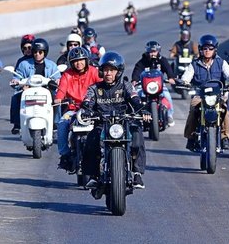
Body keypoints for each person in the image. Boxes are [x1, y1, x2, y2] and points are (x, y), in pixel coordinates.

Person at [81, 52, 150, 190]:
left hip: (124, 123)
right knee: (91, 140)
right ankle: (92, 176)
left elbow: (135, 98)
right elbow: (87, 101)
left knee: (137, 134)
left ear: (118, 72)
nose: (108, 73)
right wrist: (87, 111)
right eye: (106, 70)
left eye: (112, 70)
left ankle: (137, 173)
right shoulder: (94, 88)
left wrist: (143, 110)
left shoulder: (126, 85)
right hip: (102, 124)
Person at [180, 34, 229, 151]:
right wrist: (184, 82)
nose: (207, 51)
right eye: (205, 48)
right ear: (201, 50)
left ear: (215, 50)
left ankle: (224, 137)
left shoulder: (221, 63)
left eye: (210, 48)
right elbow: (185, 77)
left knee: (225, 112)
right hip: (200, 95)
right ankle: (190, 137)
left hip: (217, 95)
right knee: (193, 110)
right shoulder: (194, 64)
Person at [54, 47, 102, 171]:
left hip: (92, 110)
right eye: (75, 61)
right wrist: (58, 98)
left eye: (81, 60)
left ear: (86, 60)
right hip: (73, 109)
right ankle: (64, 155)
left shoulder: (93, 71)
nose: (79, 63)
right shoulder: (67, 74)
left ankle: (104, 152)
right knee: (62, 124)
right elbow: (61, 90)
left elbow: (101, 86)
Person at [9, 38, 61, 134]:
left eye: (40, 52)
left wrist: (57, 81)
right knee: (16, 98)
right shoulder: (23, 64)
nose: (37, 54)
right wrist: (17, 82)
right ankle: (17, 124)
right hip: (28, 91)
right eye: (35, 52)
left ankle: (55, 123)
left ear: (45, 52)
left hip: (46, 91)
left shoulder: (52, 65)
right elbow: (17, 76)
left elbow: (57, 76)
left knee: (56, 99)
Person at [131, 41, 176, 127]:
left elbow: (168, 69)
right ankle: (136, 117)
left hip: (159, 86)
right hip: (144, 86)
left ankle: (169, 115)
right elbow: (137, 71)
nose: (153, 54)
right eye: (151, 52)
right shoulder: (142, 61)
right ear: (147, 52)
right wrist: (134, 80)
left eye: (154, 51)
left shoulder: (162, 60)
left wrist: (171, 77)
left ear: (158, 51)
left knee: (168, 96)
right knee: (137, 98)